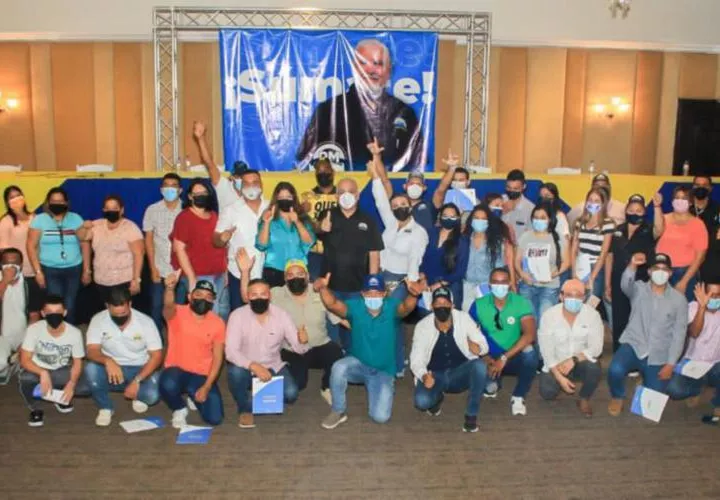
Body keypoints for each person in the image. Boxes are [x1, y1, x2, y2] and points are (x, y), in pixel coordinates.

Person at [296, 38, 424, 172]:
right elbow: (306, 159)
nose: (371, 70)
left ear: (389, 71)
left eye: (378, 64)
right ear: (354, 68)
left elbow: (416, 162)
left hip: (389, 185)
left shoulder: (404, 113)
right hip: (343, 185)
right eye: (363, 63)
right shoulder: (328, 111)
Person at [317, 273, 425, 428]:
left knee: (381, 417)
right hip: (359, 364)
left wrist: (413, 295)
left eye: (377, 293)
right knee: (339, 367)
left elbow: (406, 307)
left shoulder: (392, 307)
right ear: (363, 294)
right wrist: (323, 288)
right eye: (369, 293)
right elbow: (333, 304)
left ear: (384, 293)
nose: (373, 297)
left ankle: (383, 386)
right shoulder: (355, 307)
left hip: (383, 371)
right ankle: (338, 411)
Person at [237, 255, 343, 404]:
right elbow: (248, 298)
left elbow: (340, 314)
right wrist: (245, 272)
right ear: (285, 279)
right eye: (290, 275)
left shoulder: (319, 292)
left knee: (336, 355)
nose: (295, 278)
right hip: (291, 349)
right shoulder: (276, 294)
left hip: (320, 345)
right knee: (298, 385)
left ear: (307, 276)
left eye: (300, 274)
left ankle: (327, 387)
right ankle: (260, 388)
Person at [607, 253, 688, 416]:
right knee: (615, 369)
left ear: (670, 273)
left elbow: (679, 335)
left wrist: (670, 364)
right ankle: (617, 396)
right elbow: (625, 284)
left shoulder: (679, 300)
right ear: (650, 271)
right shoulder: (638, 289)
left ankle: (645, 378)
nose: (660, 272)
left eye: (664, 269)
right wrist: (632, 265)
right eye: (656, 268)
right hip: (634, 345)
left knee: (658, 398)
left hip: (659, 353)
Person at [369, 158, 429, 374]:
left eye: (403, 204)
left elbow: (415, 259)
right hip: (382, 277)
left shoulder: (419, 233)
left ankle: (396, 364)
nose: (399, 208)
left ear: (410, 207)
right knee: (379, 319)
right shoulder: (391, 223)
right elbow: (380, 201)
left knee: (392, 321)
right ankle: (382, 358)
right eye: (395, 206)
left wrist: (411, 283)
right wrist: (375, 176)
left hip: (402, 281)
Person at [225, 277, 309, 429]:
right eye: (254, 294)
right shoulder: (237, 316)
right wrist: (253, 365)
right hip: (246, 366)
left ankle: (258, 395)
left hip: (273, 365)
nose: (259, 298)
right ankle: (245, 409)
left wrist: (302, 342)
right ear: (248, 296)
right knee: (235, 373)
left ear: (269, 295)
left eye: (263, 294)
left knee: (291, 394)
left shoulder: (282, 315)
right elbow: (230, 351)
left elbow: (298, 349)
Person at [410, 286, 489, 432]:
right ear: (431, 306)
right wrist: (424, 375)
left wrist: (478, 348)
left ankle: (471, 416)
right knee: (422, 402)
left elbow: (483, 344)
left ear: (452, 305)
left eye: (445, 303)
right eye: (437, 303)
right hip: (435, 376)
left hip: (459, 372)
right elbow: (416, 359)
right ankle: (437, 398)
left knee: (479, 366)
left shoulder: (463, 318)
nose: (442, 307)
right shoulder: (422, 326)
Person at [317, 177, 384, 348]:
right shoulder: (327, 215)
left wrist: (372, 284)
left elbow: (374, 253)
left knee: (355, 330)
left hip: (357, 287)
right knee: (331, 332)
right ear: (336, 196)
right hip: (331, 286)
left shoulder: (368, 220)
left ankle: (353, 357)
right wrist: (320, 228)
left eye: (350, 192)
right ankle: (333, 358)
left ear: (358, 195)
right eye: (341, 192)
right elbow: (315, 232)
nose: (346, 196)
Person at [84, 286, 163, 426]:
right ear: (107, 306)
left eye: (124, 313)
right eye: (115, 314)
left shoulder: (146, 322)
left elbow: (157, 356)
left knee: (152, 396)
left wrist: (137, 380)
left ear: (130, 304)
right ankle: (105, 407)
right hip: (111, 370)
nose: (120, 317)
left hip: (139, 368)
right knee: (90, 369)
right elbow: (91, 350)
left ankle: (136, 393)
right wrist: (107, 361)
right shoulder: (98, 320)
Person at [469, 267, 538, 416]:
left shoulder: (521, 302)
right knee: (490, 387)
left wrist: (504, 358)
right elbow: (469, 335)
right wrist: (485, 358)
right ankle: (494, 381)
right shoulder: (478, 305)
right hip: (488, 357)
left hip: (512, 356)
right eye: (495, 282)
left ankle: (519, 396)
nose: (499, 286)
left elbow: (530, 335)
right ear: (489, 284)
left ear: (509, 283)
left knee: (531, 353)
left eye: (503, 282)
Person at [159, 275, 225, 428]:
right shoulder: (177, 313)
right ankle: (179, 408)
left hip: (201, 375)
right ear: (189, 297)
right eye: (199, 294)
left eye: (208, 297)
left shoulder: (218, 323)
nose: (203, 299)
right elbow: (168, 306)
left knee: (214, 418)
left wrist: (207, 386)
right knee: (167, 383)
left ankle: (192, 395)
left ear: (212, 302)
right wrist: (169, 288)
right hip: (177, 371)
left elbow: (218, 357)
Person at [18, 295, 89, 427]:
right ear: (43, 313)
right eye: (49, 312)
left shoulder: (74, 333)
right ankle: (36, 408)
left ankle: (58, 396)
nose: (54, 315)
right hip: (37, 369)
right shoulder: (34, 329)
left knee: (85, 386)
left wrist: (71, 384)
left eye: (58, 312)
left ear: (65, 313)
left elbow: (78, 362)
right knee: (26, 378)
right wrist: (42, 372)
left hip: (60, 370)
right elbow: (24, 359)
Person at [605, 194, 664, 351]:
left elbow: (660, 229)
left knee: (639, 318)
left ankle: (637, 353)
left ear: (644, 212)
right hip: (618, 280)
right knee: (619, 318)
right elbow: (609, 257)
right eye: (631, 210)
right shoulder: (618, 230)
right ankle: (619, 352)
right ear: (626, 211)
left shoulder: (649, 229)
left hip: (640, 281)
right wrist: (607, 284)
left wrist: (657, 206)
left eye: (639, 210)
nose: (634, 213)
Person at [537, 279, 603, 417]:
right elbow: (546, 350)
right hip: (557, 363)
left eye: (578, 295)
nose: (574, 299)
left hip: (580, 361)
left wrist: (574, 359)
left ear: (584, 298)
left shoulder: (592, 315)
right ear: (561, 296)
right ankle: (562, 383)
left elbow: (597, 348)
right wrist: (558, 376)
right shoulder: (549, 316)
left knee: (594, 368)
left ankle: (584, 398)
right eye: (569, 295)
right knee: (547, 393)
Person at [27, 188, 91, 324]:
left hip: (74, 269)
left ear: (66, 203)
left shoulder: (76, 219)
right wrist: (37, 272)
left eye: (60, 201)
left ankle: (70, 332)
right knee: (56, 305)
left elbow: (85, 244)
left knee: (70, 305)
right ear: (48, 203)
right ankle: (55, 331)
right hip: (50, 269)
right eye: (54, 201)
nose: (57, 204)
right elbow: (31, 246)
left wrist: (87, 270)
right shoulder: (39, 220)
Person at [214, 168, 268, 311]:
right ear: (241, 186)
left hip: (268, 271)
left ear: (261, 185)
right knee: (240, 316)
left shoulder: (270, 207)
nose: (251, 187)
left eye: (255, 183)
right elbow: (216, 240)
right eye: (246, 184)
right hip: (238, 273)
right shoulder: (230, 210)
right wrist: (222, 238)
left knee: (268, 317)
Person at [170, 179, 227, 315]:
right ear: (190, 196)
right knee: (210, 313)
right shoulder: (184, 217)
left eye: (204, 193)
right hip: (198, 275)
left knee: (223, 311)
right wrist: (191, 277)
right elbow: (179, 249)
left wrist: (225, 270)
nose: (201, 196)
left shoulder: (214, 215)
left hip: (218, 273)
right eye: (197, 193)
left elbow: (222, 246)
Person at [667, 282, 720, 423]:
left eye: (718, 295)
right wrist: (702, 308)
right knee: (674, 390)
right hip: (691, 362)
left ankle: (717, 403)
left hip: (715, 364)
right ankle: (698, 389)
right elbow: (694, 332)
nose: (714, 299)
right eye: (710, 295)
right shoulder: (692, 307)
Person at [82, 195, 144, 310]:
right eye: (108, 208)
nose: (111, 211)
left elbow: (138, 254)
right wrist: (83, 227)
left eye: (115, 208)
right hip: (101, 280)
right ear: (103, 210)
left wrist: (136, 279)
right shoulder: (97, 225)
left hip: (123, 280)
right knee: (103, 313)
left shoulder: (130, 227)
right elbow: (82, 238)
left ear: (122, 210)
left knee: (121, 312)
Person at [143, 173, 183, 334]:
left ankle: (177, 343)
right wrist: (152, 268)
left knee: (179, 310)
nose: (170, 189)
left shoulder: (187, 210)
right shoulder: (152, 210)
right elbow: (148, 240)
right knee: (156, 307)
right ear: (161, 189)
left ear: (180, 190)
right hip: (159, 269)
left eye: (174, 186)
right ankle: (156, 343)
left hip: (181, 270)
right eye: (166, 185)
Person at [367, 139, 436, 234]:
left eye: (419, 184)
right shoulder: (396, 202)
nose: (415, 186)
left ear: (424, 188)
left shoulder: (430, 205)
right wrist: (377, 156)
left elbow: (441, 190)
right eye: (411, 183)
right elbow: (384, 179)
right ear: (405, 186)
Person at [256, 182, 316, 288]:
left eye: (288, 197)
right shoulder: (268, 217)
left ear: (294, 198)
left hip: (298, 272)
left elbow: (310, 242)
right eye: (281, 197)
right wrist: (267, 223)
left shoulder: (303, 218)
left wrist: (297, 222)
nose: (285, 200)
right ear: (276, 199)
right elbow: (262, 245)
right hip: (274, 271)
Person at [515, 203, 570, 320]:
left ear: (550, 219)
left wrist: (553, 274)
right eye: (535, 217)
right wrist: (522, 274)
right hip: (527, 285)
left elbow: (566, 262)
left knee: (545, 318)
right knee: (529, 319)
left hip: (549, 286)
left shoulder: (558, 238)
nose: (538, 220)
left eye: (542, 218)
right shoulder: (525, 236)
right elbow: (517, 260)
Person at [656, 185, 708, 302]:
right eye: (677, 198)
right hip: (661, 271)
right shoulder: (663, 219)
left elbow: (700, 257)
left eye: (684, 198)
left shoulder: (698, 225)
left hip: (685, 274)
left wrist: (684, 281)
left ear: (690, 202)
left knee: (683, 309)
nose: (680, 201)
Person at [462, 205, 515, 311]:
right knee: (467, 314)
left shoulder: (496, 242)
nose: (479, 221)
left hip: (487, 286)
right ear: (471, 220)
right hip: (467, 285)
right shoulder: (464, 240)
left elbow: (500, 267)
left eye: (483, 219)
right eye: (476, 218)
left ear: (488, 222)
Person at [0, 248, 42, 381]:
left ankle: (17, 361)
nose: (11, 267)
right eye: (6, 263)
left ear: (21, 265)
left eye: (15, 263)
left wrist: (26, 341)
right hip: (2, 336)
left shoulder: (30, 285)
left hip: (23, 334)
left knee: (39, 361)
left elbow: (34, 316)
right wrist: (5, 281)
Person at [420, 203, 469, 309]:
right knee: (426, 315)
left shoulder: (462, 240)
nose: (448, 219)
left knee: (451, 316)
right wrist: (422, 277)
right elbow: (421, 257)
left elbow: (460, 270)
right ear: (440, 216)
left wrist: (439, 284)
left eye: (452, 216)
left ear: (458, 218)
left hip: (450, 285)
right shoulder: (430, 233)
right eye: (445, 216)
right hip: (426, 283)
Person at [570, 188, 614, 300]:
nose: (592, 203)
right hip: (580, 266)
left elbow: (604, 253)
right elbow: (573, 249)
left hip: (596, 268)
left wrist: (592, 277)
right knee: (577, 301)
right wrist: (574, 272)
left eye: (596, 201)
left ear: (603, 204)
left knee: (592, 303)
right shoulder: (579, 222)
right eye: (590, 200)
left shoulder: (608, 224)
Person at [300, 158, 339, 280]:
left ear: (333, 172)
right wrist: (301, 211)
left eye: (326, 170)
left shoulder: (342, 196)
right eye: (319, 171)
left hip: (338, 251)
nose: (323, 173)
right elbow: (300, 225)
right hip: (315, 252)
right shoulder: (307, 197)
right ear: (315, 174)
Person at [193, 120, 244, 212]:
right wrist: (201, 139)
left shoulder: (252, 192)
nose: (241, 179)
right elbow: (209, 163)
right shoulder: (223, 186)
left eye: (243, 177)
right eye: (238, 176)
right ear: (231, 177)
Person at [0, 186, 37, 292]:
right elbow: (3, 249)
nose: (16, 199)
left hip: (37, 270)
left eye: (18, 195)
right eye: (12, 197)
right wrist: (9, 273)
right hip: (17, 273)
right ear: (7, 202)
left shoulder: (34, 217)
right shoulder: (6, 221)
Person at [502, 169, 535, 241]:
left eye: (515, 188)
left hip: (519, 246)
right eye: (509, 187)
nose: (511, 191)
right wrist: (501, 211)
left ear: (524, 186)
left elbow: (531, 234)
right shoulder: (498, 201)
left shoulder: (530, 208)